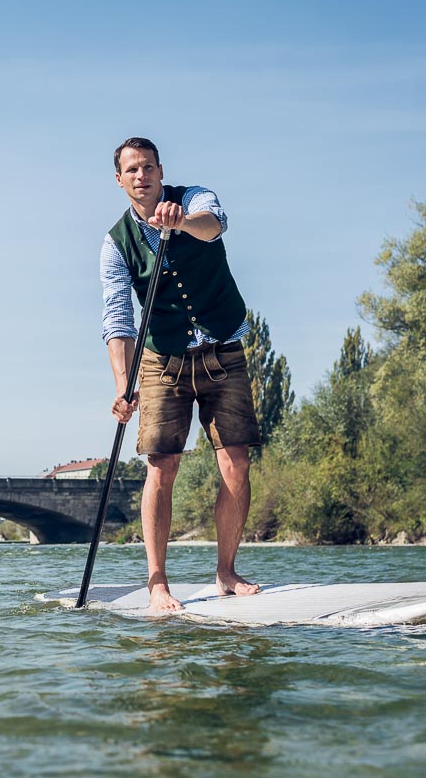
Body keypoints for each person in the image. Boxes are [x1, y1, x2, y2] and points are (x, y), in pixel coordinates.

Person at [100, 136, 262, 613]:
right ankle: (157, 584)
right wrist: (121, 386)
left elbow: (215, 227)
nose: (141, 176)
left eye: (148, 167)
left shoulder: (193, 199)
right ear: (119, 180)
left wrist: (183, 223)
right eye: (132, 170)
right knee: (161, 465)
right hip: (162, 360)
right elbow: (118, 320)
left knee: (236, 461)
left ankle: (226, 573)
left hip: (223, 346)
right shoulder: (116, 244)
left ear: (160, 169)